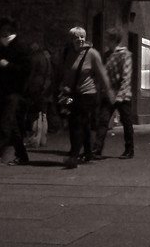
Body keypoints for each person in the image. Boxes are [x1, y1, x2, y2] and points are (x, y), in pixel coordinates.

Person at [57, 26, 114, 168]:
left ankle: (73, 156)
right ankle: (88, 152)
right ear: (71, 40)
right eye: (76, 37)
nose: (80, 40)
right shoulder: (67, 53)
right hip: (72, 94)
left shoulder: (92, 54)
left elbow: (102, 74)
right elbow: (64, 72)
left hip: (88, 94)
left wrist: (109, 91)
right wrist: (63, 86)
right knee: (79, 123)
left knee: (77, 122)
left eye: (82, 37)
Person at [0, 19, 33, 167]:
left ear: (8, 31)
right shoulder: (4, 47)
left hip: (15, 91)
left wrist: (8, 65)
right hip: (5, 90)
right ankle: (22, 155)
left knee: (7, 122)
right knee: (12, 125)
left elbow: (26, 69)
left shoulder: (20, 46)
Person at [95, 27, 136, 160]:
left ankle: (129, 149)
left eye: (108, 38)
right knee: (103, 121)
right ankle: (97, 148)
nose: (106, 41)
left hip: (123, 95)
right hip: (109, 93)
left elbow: (126, 75)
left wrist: (119, 95)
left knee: (126, 121)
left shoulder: (125, 54)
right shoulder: (107, 55)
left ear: (113, 40)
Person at [24, 41, 53, 149]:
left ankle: (34, 139)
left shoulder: (33, 58)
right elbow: (50, 74)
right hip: (45, 88)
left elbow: (30, 74)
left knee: (34, 114)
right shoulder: (46, 58)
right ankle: (42, 139)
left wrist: (26, 88)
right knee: (43, 114)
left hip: (35, 88)